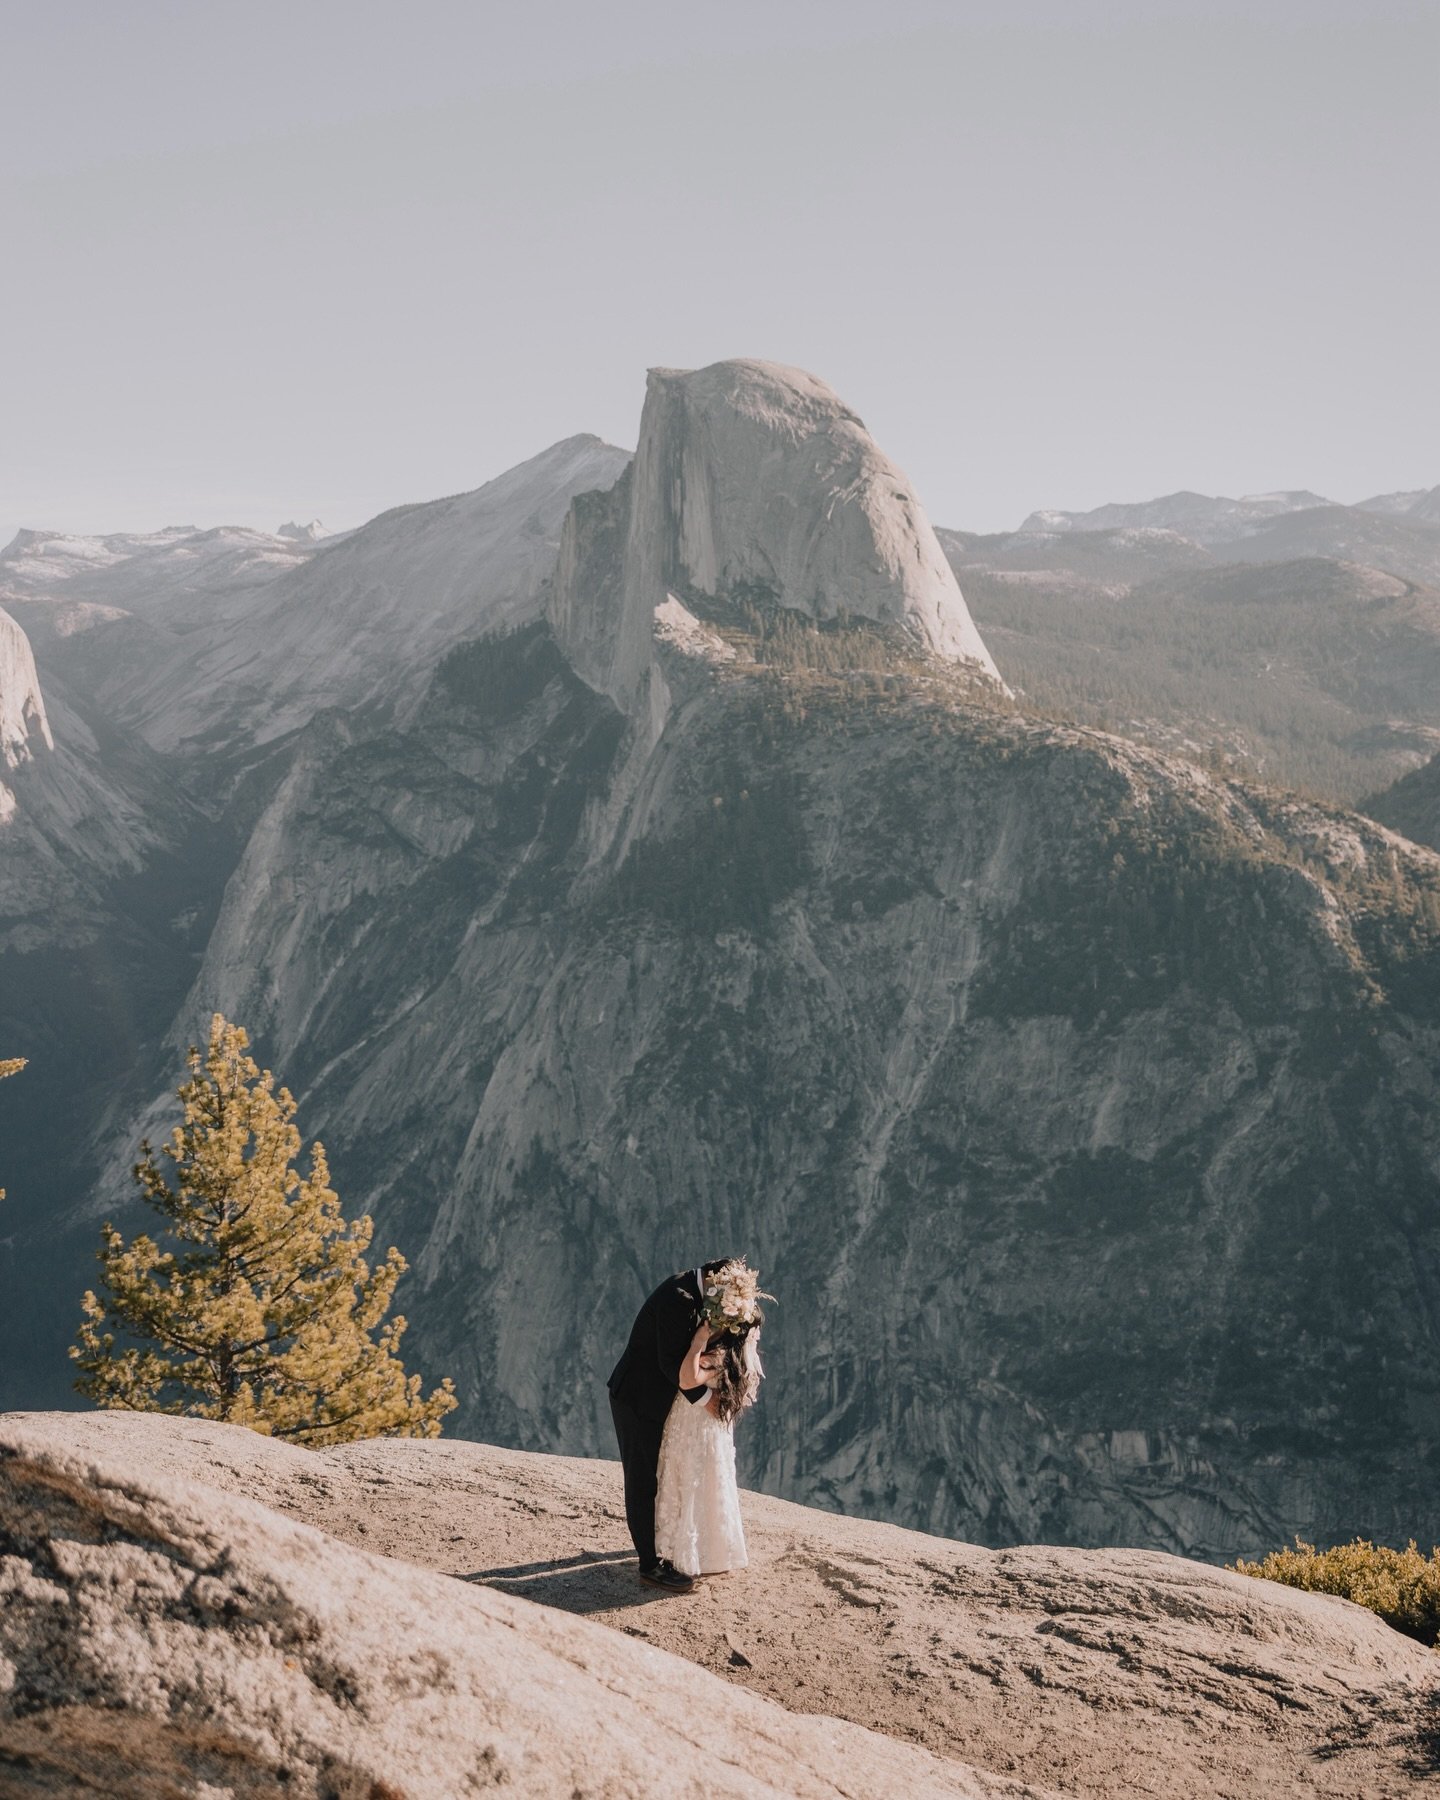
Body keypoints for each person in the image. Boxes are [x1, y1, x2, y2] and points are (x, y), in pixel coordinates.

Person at [608, 1261, 728, 1593]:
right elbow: (670, 1364)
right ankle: (650, 1566)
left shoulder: (692, 1290)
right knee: (642, 1478)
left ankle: (653, 1542)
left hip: (652, 1398)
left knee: (658, 1474)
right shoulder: (680, 1299)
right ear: (714, 1282)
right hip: (637, 1399)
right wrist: (707, 1396)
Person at [654, 1312, 761, 1579]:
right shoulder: (730, 1354)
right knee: (708, 1479)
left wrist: (697, 1342)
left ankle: (689, 1547)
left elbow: (688, 1379)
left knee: (689, 1479)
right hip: (703, 1426)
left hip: (694, 1427)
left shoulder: (718, 1355)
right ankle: (712, 1546)